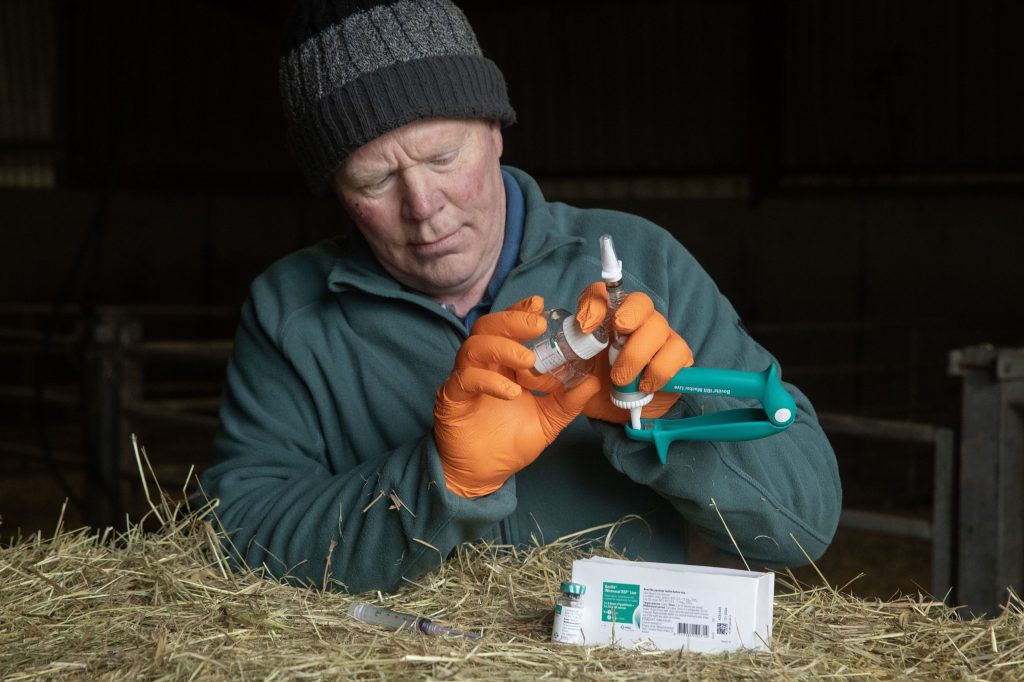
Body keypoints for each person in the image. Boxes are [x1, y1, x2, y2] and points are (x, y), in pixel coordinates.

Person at [201, 0, 841, 594]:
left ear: (495, 130)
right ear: (337, 191)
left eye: (444, 156)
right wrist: (442, 481)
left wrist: (667, 421)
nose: (423, 208)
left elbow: (804, 526)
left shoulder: (643, 261)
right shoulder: (290, 311)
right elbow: (233, 541)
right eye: (373, 180)